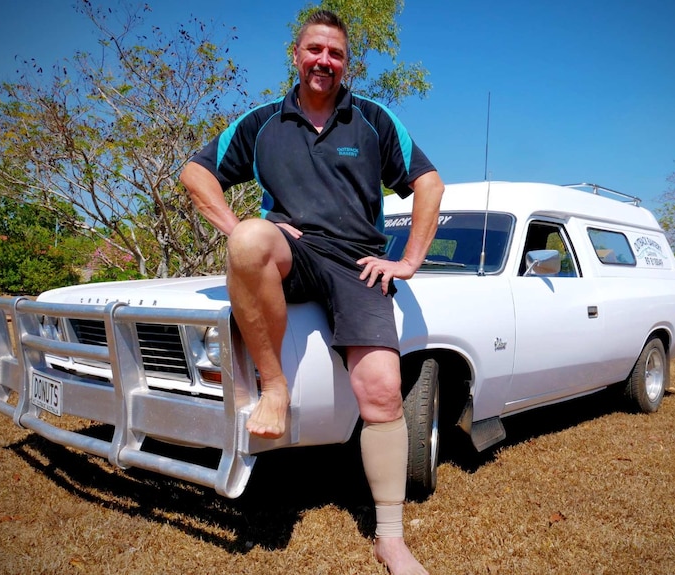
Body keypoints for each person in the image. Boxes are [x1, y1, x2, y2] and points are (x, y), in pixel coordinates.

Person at [180, 10, 444, 575]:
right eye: (315, 49)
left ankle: (391, 539)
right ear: (295, 55)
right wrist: (237, 227)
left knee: (382, 391)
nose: (325, 61)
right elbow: (195, 173)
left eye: (337, 54)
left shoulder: (373, 120)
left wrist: (409, 261)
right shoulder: (262, 122)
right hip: (292, 251)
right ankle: (275, 389)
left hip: (358, 264)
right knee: (251, 238)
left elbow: (428, 182)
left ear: (347, 64)